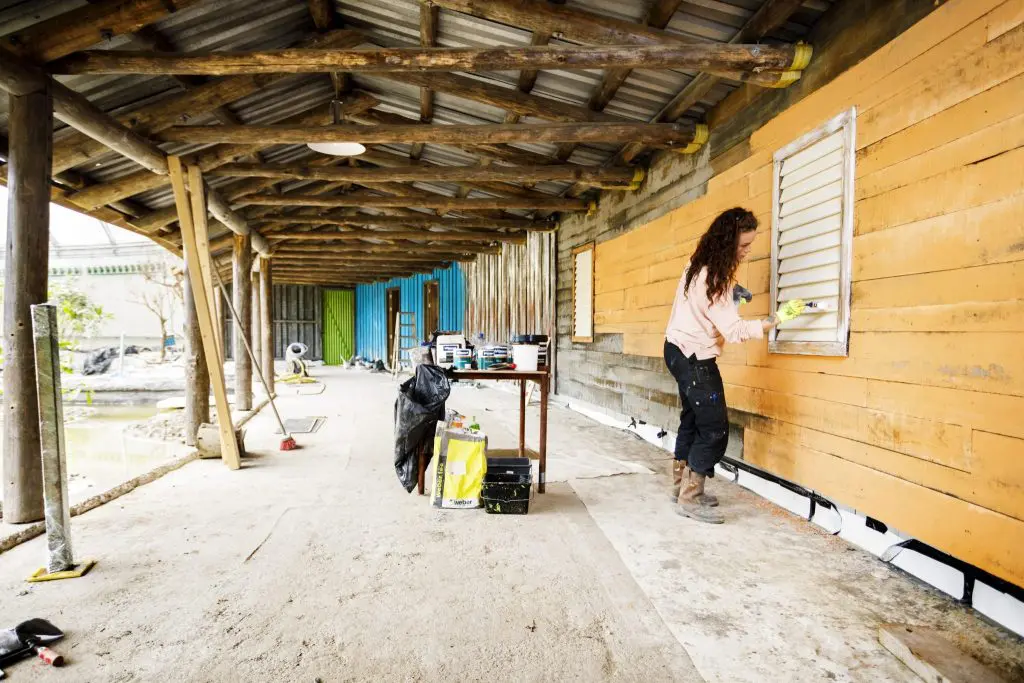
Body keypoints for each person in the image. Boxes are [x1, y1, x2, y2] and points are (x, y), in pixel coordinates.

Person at [664, 207, 803, 524]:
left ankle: (678, 487)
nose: (747, 251)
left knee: (692, 418)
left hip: (674, 350)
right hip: (695, 358)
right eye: (743, 245)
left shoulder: (695, 266)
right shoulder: (716, 280)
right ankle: (690, 497)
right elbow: (735, 330)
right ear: (727, 243)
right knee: (714, 429)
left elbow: (702, 304)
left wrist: (734, 294)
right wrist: (777, 319)